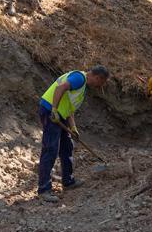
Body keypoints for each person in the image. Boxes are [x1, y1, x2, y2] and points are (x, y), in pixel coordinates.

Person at [37, 66, 110, 202]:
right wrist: (53, 110)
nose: (99, 86)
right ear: (98, 77)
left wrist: (74, 128)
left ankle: (68, 181)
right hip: (50, 111)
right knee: (50, 150)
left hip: (60, 114)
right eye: (101, 83)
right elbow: (60, 88)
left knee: (67, 147)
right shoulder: (79, 78)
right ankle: (44, 189)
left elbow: (69, 108)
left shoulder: (81, 87)